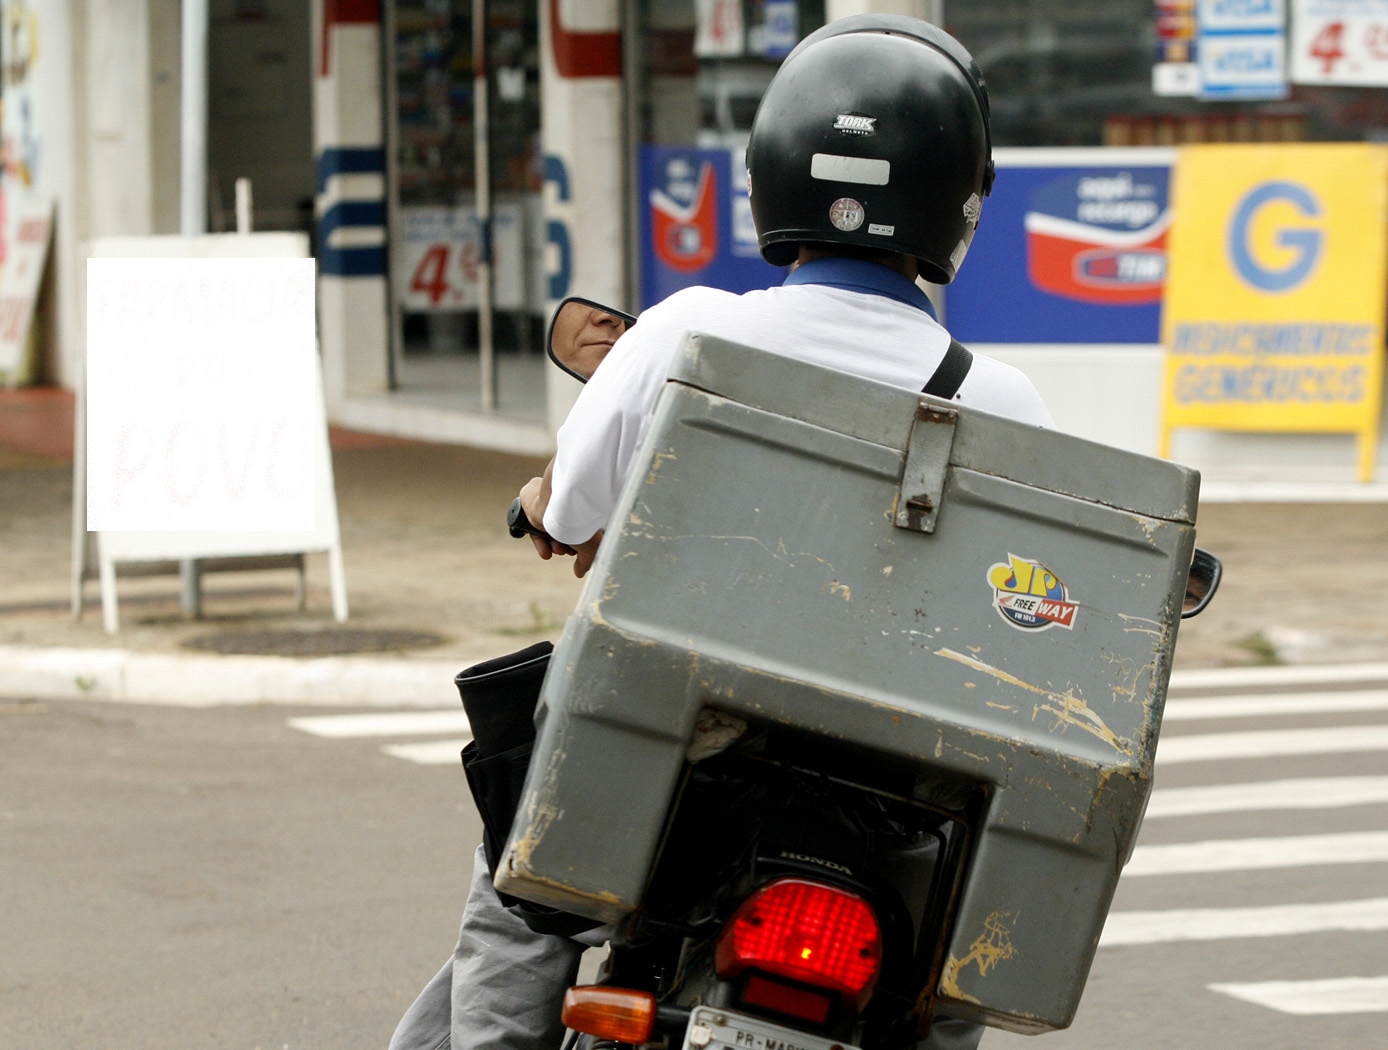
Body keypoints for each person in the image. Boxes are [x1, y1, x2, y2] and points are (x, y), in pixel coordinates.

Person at [390, 14, 1053, 1050]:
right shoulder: (1004, 402)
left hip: (679, 754)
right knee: (936, 971)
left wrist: (541, 507)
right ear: (959, 200)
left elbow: (570, 510)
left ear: (771, 171)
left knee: (522, 892)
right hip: (898, 795)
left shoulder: (685, 330)